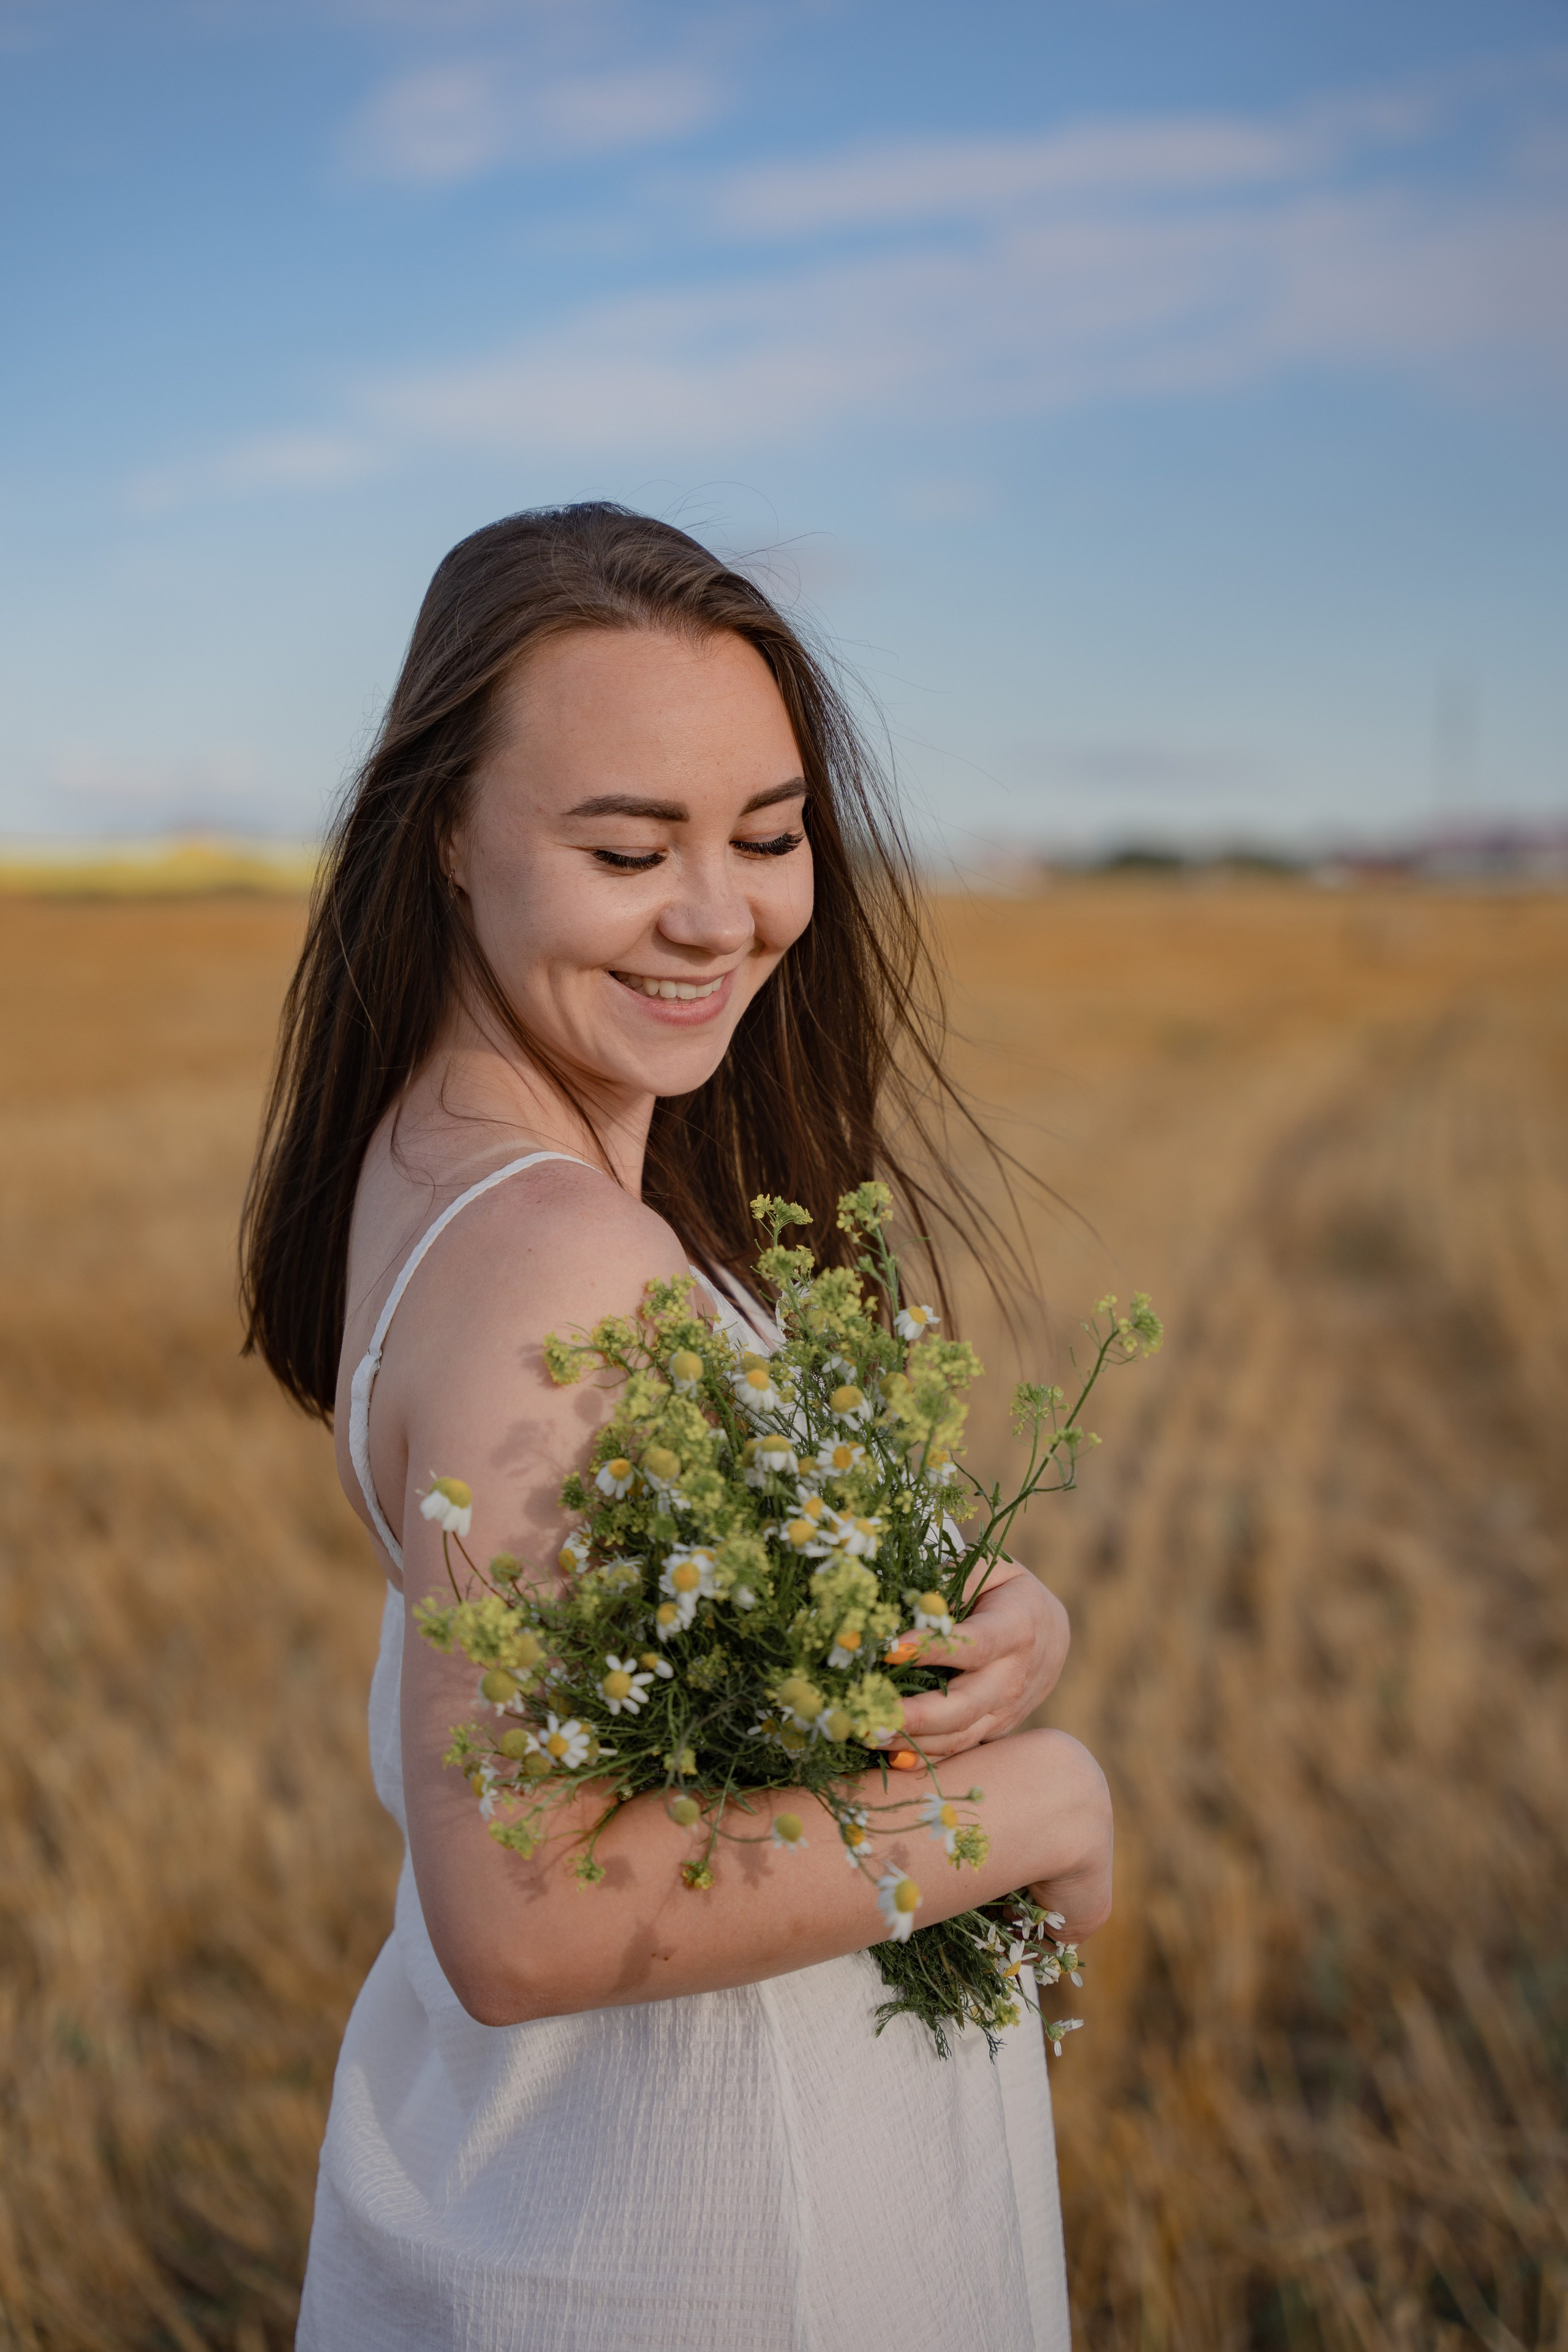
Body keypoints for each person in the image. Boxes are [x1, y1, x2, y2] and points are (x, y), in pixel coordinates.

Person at [241, 503, 1113, 2352]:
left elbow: (634, 1642)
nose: (723, 914)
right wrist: (1030, 1798)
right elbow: (527, 1917)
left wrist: (953, 1616)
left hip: (628, 2212)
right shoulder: (558, 1250)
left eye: (771, 834)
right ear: (447, 844)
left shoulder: (461, 1170)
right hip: (711, 2253)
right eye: (628, 847)